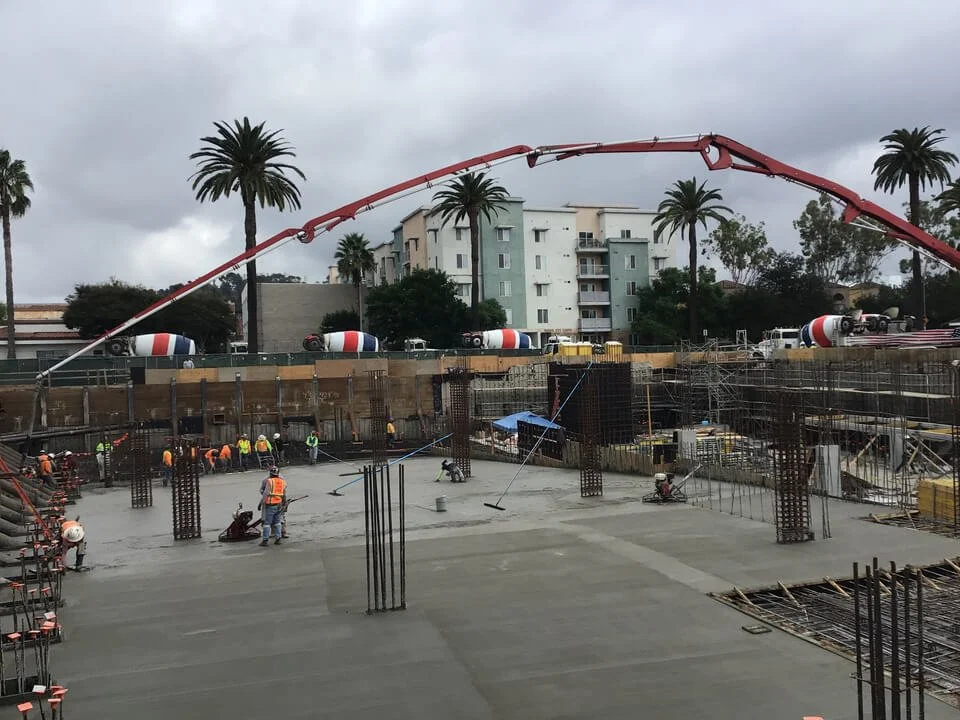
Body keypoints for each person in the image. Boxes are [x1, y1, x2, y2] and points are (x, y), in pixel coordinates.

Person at [258, 466, 286, 546]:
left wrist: (260, 504)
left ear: (270, 473)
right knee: (277, 522)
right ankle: (278, 539)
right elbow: (284, 493)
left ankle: (265, 540)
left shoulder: (269, 481)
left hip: (270, 505)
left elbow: (265, 494)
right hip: (279, 504)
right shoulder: (282, 481)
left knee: (267, 523)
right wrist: (284, 503)